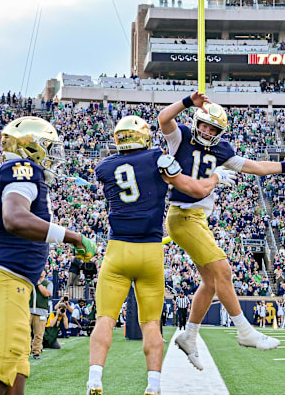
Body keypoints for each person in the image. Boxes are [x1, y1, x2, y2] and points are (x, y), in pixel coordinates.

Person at [158, 92, 285, 368]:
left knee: (210, 282)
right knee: (224, 271)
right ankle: (245, 331)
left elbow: (255, 167)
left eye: (213, 129)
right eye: (205, 126)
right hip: (182, 215)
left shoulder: (222, 150)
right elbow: (163, 118)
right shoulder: (181, 136)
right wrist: (187, 101)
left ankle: (190, 335)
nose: (207, 132)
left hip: (198, 218)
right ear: (197, 122)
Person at [87, 115, 232, 394]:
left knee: (104, 319)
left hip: (117, 250)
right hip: (150, 252)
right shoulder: (158, 158)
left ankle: (94, 379)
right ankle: (153, 385)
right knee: (152, 324)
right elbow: (195, 188)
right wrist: (215, 177)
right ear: (143, 136)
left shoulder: (104, 166)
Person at [0, 116, 96, 395]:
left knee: (14, 378)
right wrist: (72, 237)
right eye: (49, 146)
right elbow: (14, 218)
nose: (54, 155)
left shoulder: (4, 177)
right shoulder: (21, 168)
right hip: (6, 283)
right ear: (32, 146)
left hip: (8, 285)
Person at [29, 270, 51, 359]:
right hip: (29, 309)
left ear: (45, 273)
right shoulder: (30, 281)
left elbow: (46, 293)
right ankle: (25, 351)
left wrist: (38, 284)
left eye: (43, 271)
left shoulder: (48, 283)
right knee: (26, 333)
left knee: (39, 333)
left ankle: (36, 352)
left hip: (41, 311)